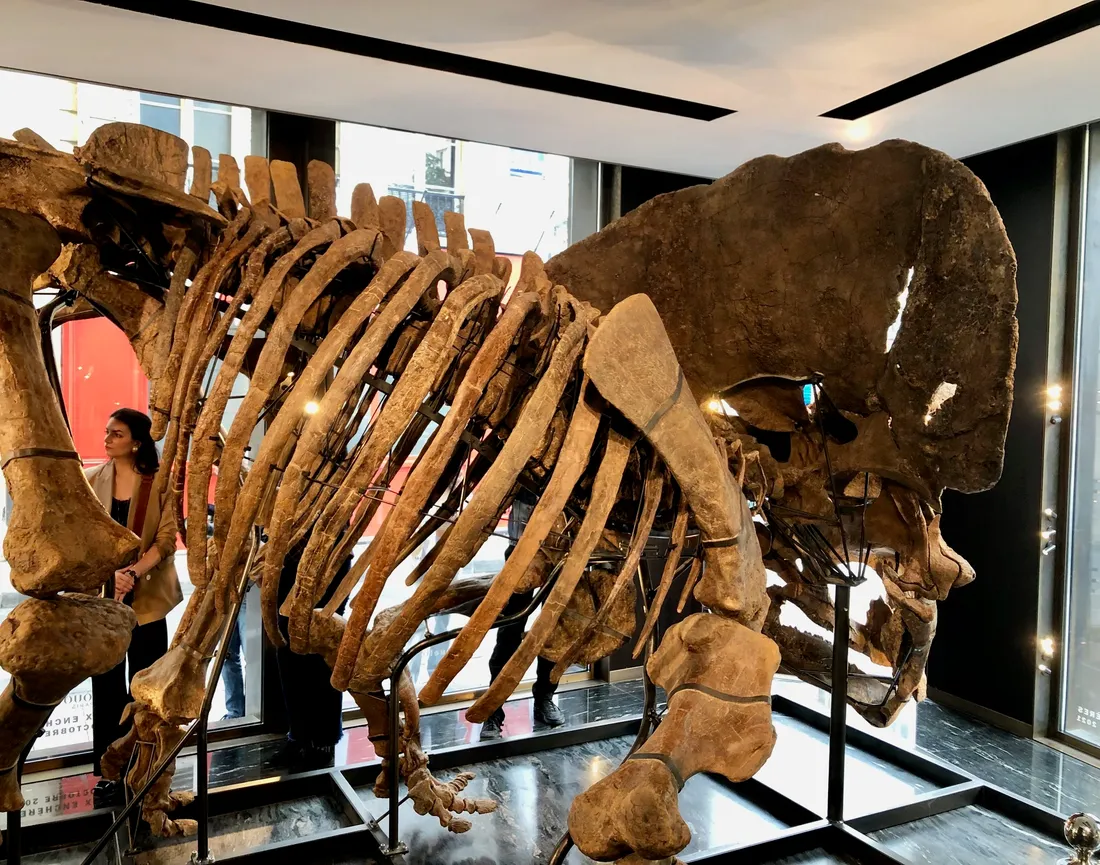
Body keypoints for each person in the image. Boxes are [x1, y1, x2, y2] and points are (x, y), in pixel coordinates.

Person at [86, 408, 183, 805]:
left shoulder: (159, 483)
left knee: (145, 688)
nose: (107, 439)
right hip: (105, 601)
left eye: (117, 433)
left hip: (147, 598)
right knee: (106, 686)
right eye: (107, 431)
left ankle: (148, 771)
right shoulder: (92, 481)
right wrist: (112, 578)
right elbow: (89, 540)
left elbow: (166, 537)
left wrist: (133, 572)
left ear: (137, 441)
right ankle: (109, 771)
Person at [479, 487, 565, 741]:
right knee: (509, 630)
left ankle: (545, 698)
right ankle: (492, 708)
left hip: (562, 554)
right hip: (521, 551)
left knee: (552, 630)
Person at [270, 535, 351, 771]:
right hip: (288, 565)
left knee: (322, 649)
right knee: (287, 650)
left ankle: (324, 740)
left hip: (330, 562)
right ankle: (298, 736)